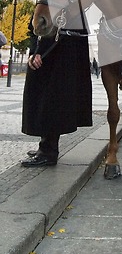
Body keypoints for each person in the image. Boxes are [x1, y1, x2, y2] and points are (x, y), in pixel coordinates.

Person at [20, 16, 92, 167]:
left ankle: (48, 152)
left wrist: (38, 52)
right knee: (43, 100)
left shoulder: (67, 2)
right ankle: (46, 146)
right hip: (48, 52)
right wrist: (34, 51)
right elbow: (35, 26)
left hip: (56, 55)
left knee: (50, 101)